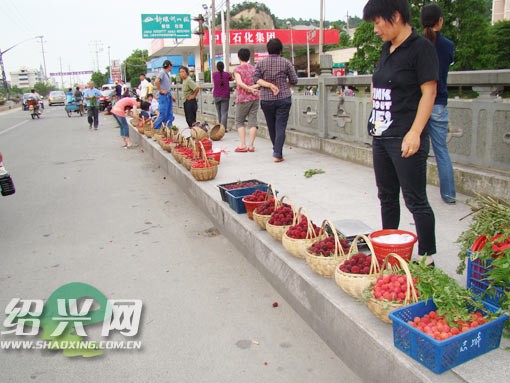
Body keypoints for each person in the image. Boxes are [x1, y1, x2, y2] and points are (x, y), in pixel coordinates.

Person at [363, 0, 438, 266]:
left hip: (405, 136)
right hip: (382, 135)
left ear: (394, 16)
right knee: (386, 196)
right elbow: (378, 81)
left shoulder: (421, 49)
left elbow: (429, 93)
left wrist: (415, 132)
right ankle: (390, 250)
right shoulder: (387, 49)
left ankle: (427, 256)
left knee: (415, 199)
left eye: (377, 22)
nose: (375, 29)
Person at [421, 3, 456, 205]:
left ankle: (417, 194)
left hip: (419, 104)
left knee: (418, 151)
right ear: (440, 21)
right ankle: (449, 195)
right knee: (441, 150)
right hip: (438, 103)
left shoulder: (415, 43)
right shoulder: (448, 46)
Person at [254, 38, 298, 163]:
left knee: (271, 126)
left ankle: (276, 150)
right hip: (283, 98)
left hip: (266, 99)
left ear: (268, 50)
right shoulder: (286, 62)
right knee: (280, 126)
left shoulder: (261, 63)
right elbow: (294, 80)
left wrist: (268, 85)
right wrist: (284, 86)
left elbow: (256, 78)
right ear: (280, 50)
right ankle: (277, 153)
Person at [233, 48, 259, 152]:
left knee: (239, 121)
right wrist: (253, 88)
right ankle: (251, 146)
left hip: (243, 98)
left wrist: (249, 89)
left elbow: (239, 83)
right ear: (249, 57)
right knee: (253, 121)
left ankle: (243, 145)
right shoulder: (254, 69)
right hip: (255, 97)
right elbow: (260, 82)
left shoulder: (237, 69)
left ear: (239, 57)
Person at [154, 60, 175, 130]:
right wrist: (161, 90)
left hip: (168, 95)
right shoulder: (162, 72)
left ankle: (169, 129)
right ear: (169, 66)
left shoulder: (166, 74)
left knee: (169, 114)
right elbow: (156, 81)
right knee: (163, 114)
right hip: (163, 96)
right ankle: (156, 128)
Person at [212, 61, 233, 131]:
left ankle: (220, 128)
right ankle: (223, 129)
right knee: (224, 112)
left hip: (216, 95)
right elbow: (232, 78)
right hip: (225, 96)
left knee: (219, 112)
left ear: (217, 67)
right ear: (223, 67)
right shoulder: (227, 74)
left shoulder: (214, 74)